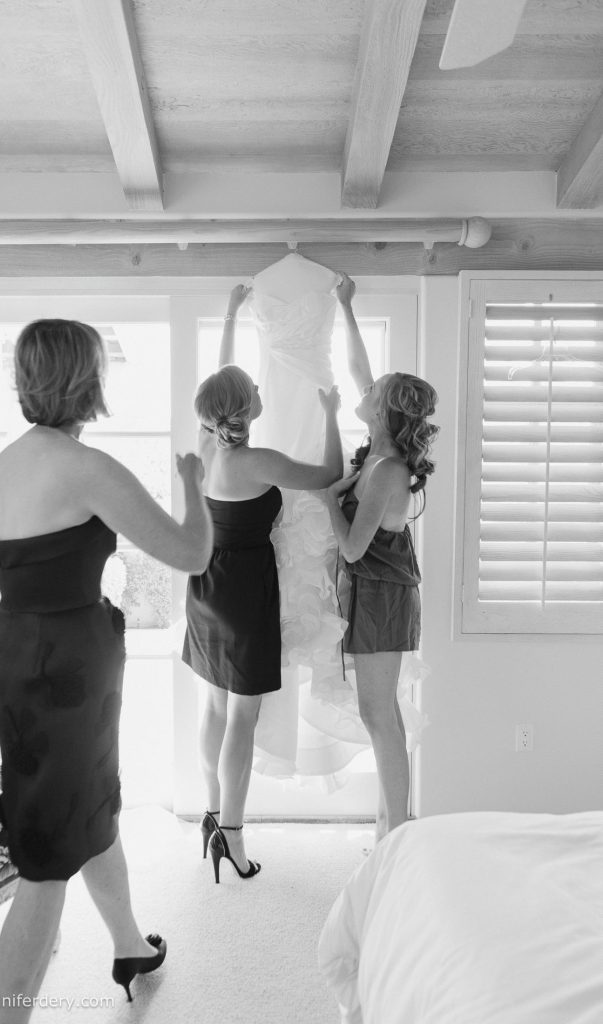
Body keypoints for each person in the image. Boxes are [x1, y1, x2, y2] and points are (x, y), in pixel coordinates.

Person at [0, 319, 212, 1021]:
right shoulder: (84, 467)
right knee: (48, 856)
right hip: (64, 676)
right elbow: (190, 553)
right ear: (86, 380)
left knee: (88, 808)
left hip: (21, 654)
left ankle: (130, 946)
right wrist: (193, 482)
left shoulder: (9, 460)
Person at [183, 284, 343, 882]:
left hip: (205, 586)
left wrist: (226, 316)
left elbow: (218, 384)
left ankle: (212, 811)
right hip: (245, 593)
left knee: (214, 704)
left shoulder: (204, 447)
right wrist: (328, 414)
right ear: (249, 410)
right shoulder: (259, 461)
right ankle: (233, 834)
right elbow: (328, 472)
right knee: (242, 718)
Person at [321, 276, 439, 841]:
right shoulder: (378, 450)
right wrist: (346, 308)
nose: (364, 391)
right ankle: (392, 825)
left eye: (376, 390)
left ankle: (397, 832)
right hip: (375, 593)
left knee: (378, 713)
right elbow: (357, 370)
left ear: (383, 412)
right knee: (380, 712)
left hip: (385, 597)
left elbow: (350, 546)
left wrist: (326, 501)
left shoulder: (388, 470)